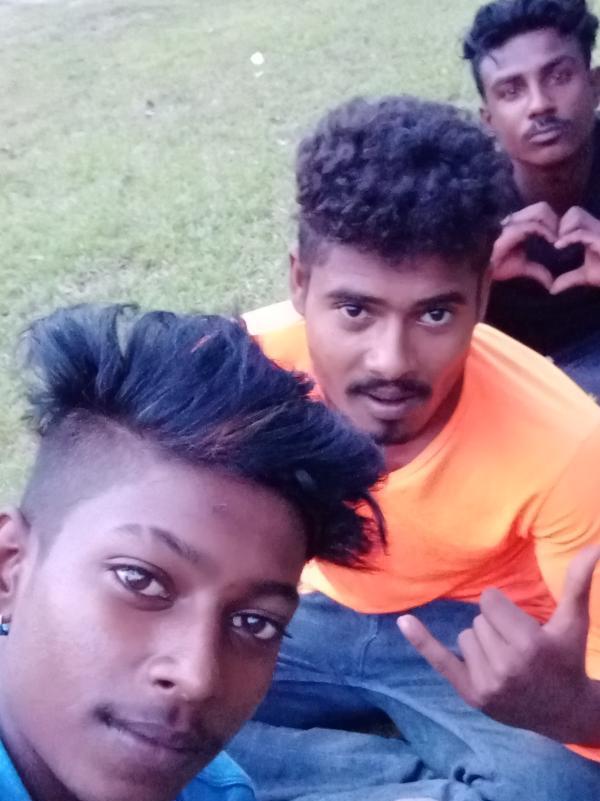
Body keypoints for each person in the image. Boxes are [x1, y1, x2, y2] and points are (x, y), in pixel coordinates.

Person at [231, 96, 600, 801]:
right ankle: (385, 776)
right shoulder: (249, 368)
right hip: (312, 609)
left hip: (478, 632)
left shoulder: (568, 448)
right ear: (300, 283)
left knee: (562, 790)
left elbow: (588, 703)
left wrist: (570, 708)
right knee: (98, 681)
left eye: (434, 313)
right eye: (354, 310)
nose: (391, 362)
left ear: (481, 297)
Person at [0, 303, 386, 801]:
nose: (197, 677)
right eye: (140, 581)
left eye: (255, 623)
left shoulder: (218, 790)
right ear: (10, 567)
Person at [463, 0, 600, 395]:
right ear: (488, 119)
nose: (540, 104)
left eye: (559, 76)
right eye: (511, 91)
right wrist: (475, 276)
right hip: (506, 381)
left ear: (595, 84)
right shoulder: (459, 195)